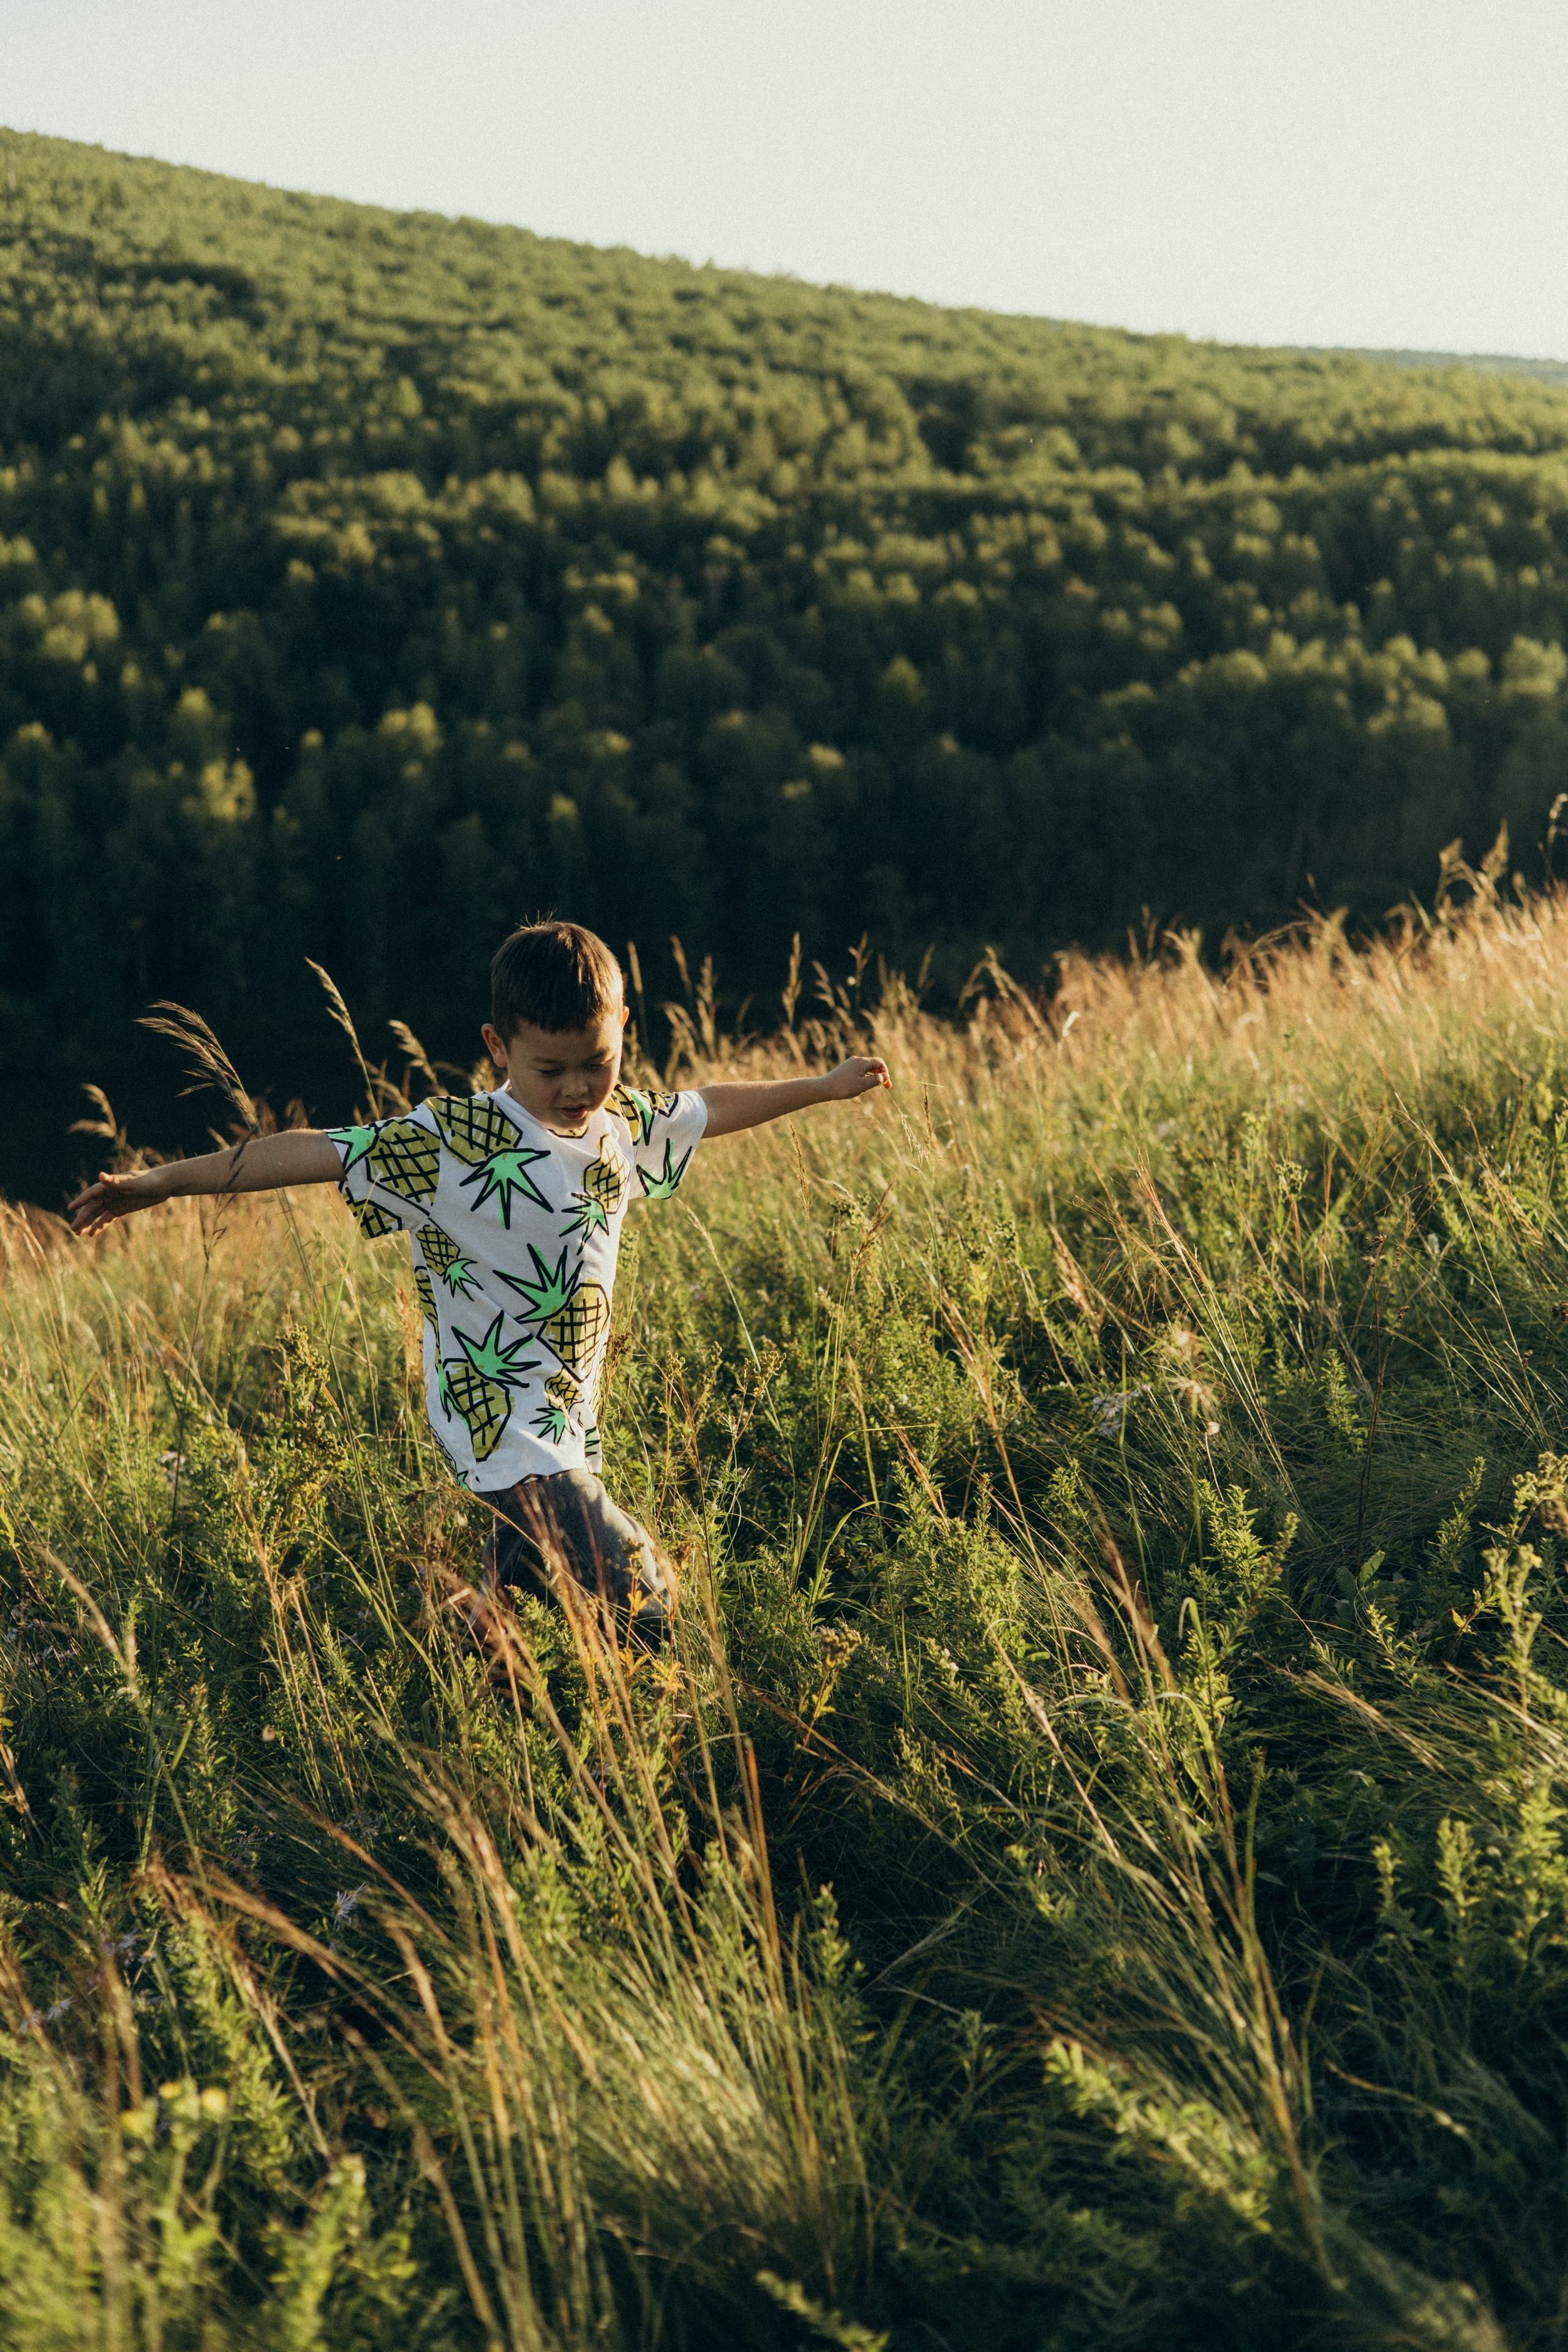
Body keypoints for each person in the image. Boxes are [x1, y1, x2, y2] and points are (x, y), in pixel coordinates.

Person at [67, 921, 891, 1643]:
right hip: (497, 1416)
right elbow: (311, 1150)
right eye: (549, 1069)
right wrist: (160, 1183)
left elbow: (710, 1106)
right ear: (499, 1048)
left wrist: (822, 1087)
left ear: (622, 1034)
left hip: (566, 1413)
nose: (574, 1089)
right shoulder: (453, 1143)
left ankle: (479, 1666)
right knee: (645, 1599)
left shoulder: (622, 1126)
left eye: (595, 1064)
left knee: (522, 1610)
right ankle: (653, 1739)